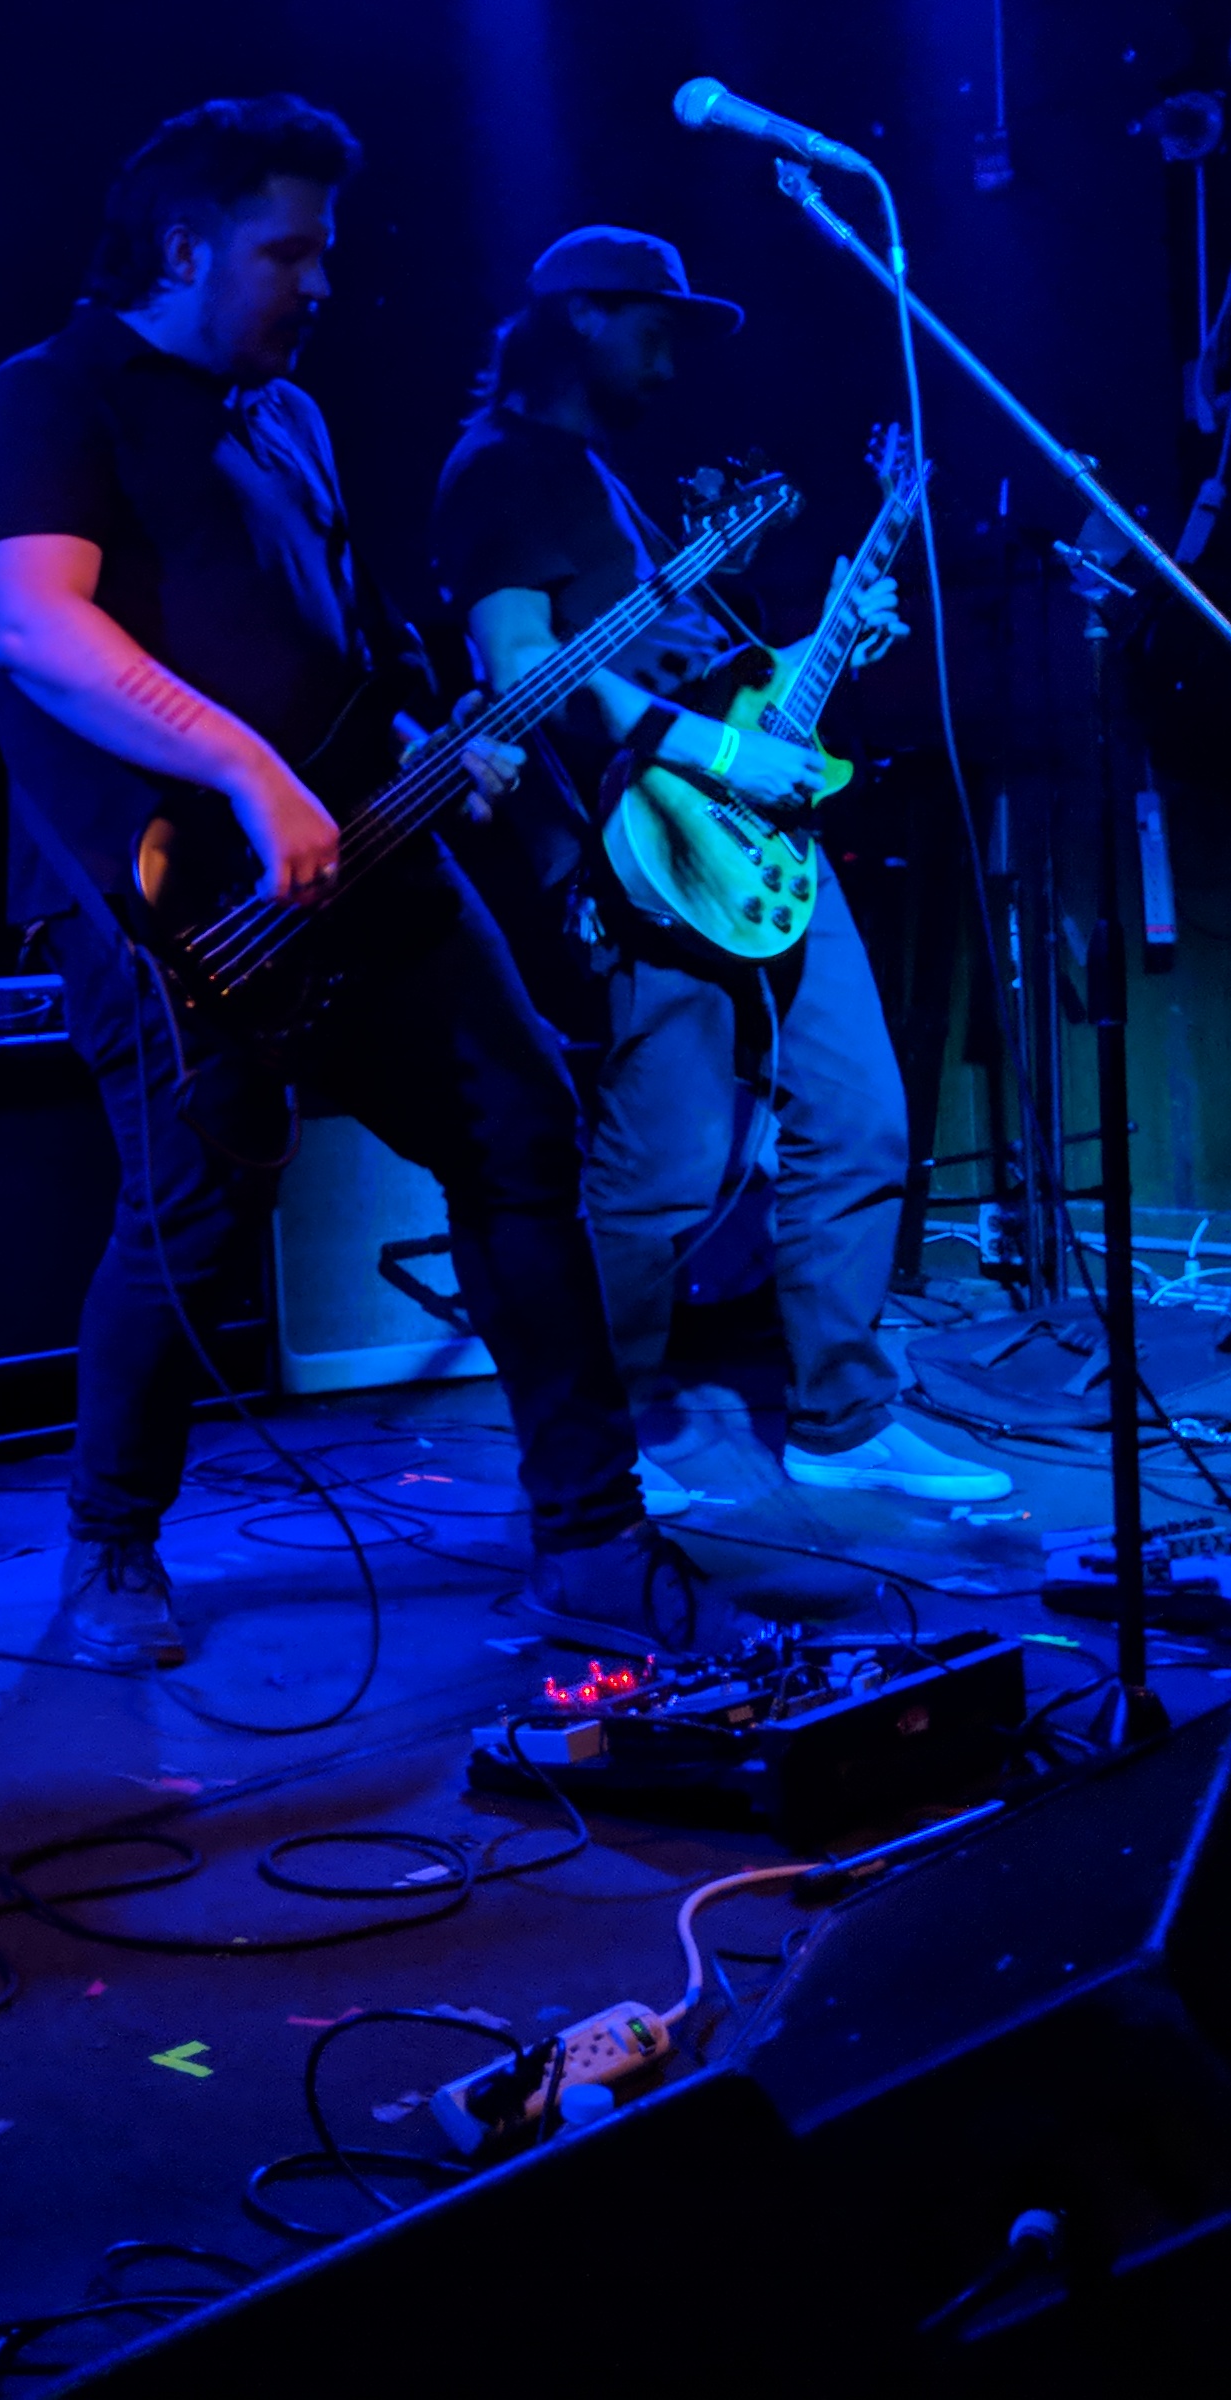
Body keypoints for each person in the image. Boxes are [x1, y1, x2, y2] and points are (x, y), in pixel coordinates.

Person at [0, 99, 761, 1673]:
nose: (321, 283)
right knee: (194, 1209)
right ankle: (109, 1545)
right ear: (185, 248)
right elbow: (33, 626)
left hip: (369, 852)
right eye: (289, 252)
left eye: (324, 251)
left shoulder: (287, 420)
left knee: (522, 1128)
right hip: (163, 896)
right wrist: (249, 774)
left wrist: (435, 741)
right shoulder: (49, 399)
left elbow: (348, 647)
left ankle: (592, 1540)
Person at [430, 226, 1005, 1506]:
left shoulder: (609, 486)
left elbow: (707, 685)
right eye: (656, 330)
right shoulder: (502, 470)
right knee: (665, 1165)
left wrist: (825, 646)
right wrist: (725, 754)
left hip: (757, 841)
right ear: (583, 316)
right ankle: (604, 1448)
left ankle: (845, 1420)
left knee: (860, 1117)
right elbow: (523, 667)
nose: (672, 363)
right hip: (646, 854)